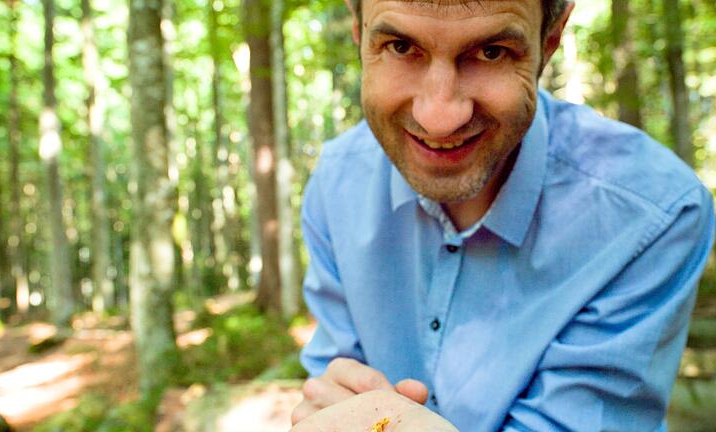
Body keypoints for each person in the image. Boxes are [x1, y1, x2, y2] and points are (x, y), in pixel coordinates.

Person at [290, 0, 716, 430]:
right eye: (401, 46)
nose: (438, 117)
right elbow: (330, 394)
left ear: (550, 39)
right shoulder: (336, 185)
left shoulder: (649, 216)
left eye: (492, 51)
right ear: (358, 31)